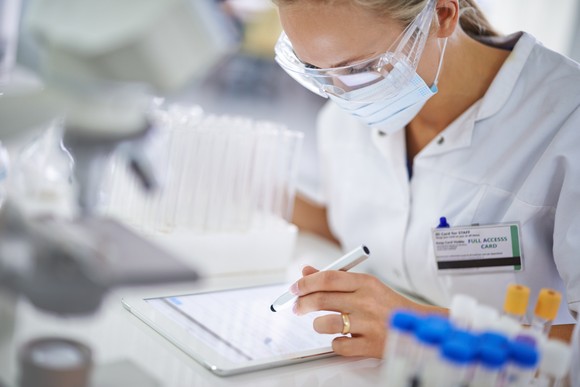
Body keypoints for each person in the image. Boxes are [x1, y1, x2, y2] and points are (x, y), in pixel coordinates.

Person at [272, 0, 580, 358]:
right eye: (315, 70)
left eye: (364, 68)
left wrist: (419, 331)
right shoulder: (346, 115)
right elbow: (376, 226)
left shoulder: (567, 121)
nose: (343, 94)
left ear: (442, 16)